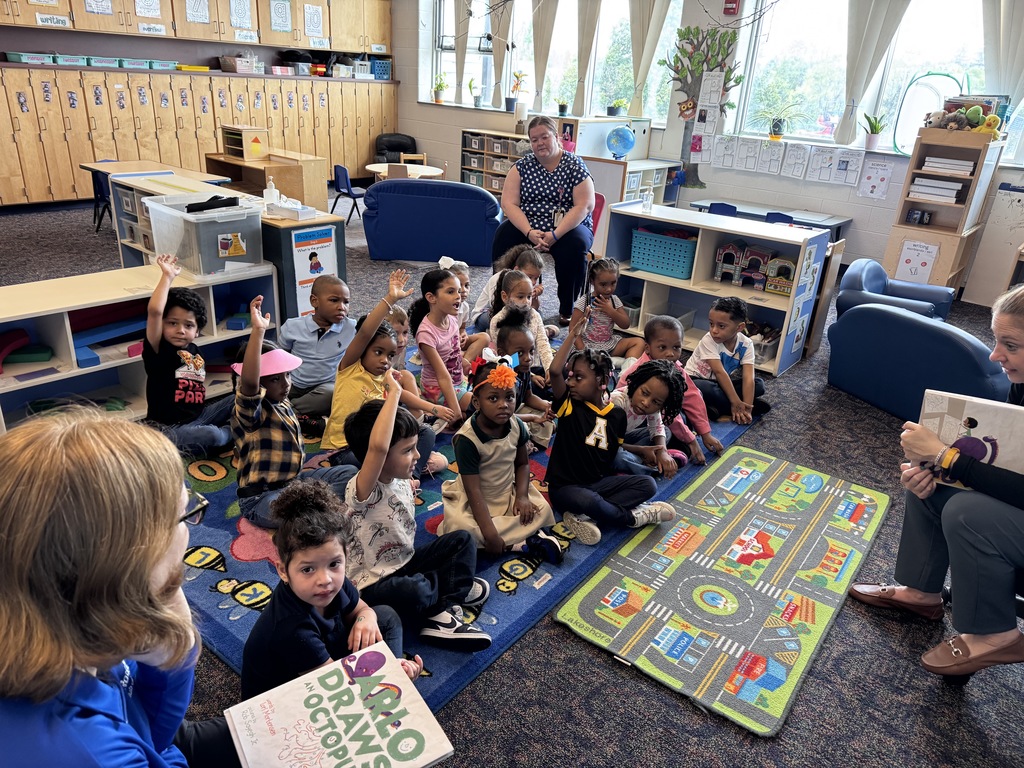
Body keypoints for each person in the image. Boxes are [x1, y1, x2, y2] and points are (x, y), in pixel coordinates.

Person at [0, 410, 239, 768]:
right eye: (185, 514)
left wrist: (175, 646)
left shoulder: (70, 616)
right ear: (118, 567)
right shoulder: (88, 752)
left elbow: (149, 736)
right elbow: (148, 751)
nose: (191, 531)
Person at [848, 284, 1024, 679]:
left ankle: (996, 634)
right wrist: (935, 466)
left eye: (1010, 345)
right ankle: (921, 593)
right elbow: (1012, 463)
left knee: (967, 510)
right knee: (935, 482)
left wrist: (947, 456)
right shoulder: (1022, 382)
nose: (996, 357)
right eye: (996, 341)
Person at [241, 479, 422, 699]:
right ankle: (392, 688)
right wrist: (393, 674)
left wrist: (366, 618)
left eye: (334, 564)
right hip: (289, 701)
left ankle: (390, 680)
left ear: (345, 557)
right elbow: (341, 692)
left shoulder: (331, 582)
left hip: (321, 664)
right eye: (307, 569)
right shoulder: (292, 629)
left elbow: (363, 610)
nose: (325, 579)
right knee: (372, 696)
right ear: (283, 571)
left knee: (383, 616)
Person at [342, 384, 492, 650]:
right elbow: (377, 447)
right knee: (414, 590)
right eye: (408, 450)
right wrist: (395, 392)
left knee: (462, 541)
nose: (418, 455)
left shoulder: (401, 478)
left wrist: (408, 485)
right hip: (372, 584)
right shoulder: (362, 489)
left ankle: (442, 598)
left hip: (405, 561)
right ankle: (441, 612)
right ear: (375, 458)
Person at [230, 295, 359, 529]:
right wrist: (258, 332)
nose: (286, 384)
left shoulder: (283, 401)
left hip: (294, 483)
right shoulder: (251, 412)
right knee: (296, 518)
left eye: (287, 375)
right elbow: (249, 384)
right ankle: (322, 512)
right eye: (275, 379)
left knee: (349, 472)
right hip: (261, 498)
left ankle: (318, 508)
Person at [546, 314, 674, 546]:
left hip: (596, 483)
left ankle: (583, 518)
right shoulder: (569, 406)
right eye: (572, 377)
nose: (571, 382)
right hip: (565, 488)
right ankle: (633, 517)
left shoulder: (616, 415)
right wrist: (573, 335)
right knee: (593, 502)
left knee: (648, 485)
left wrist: (643, 450)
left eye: (579, 377)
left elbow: (613, 447)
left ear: (602, 380)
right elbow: (556, 372)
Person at [318, 270, 448, 481]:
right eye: (378, 352)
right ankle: (401, 469)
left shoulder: (387, 375)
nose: (385, 361)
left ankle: (409, 477)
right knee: (355, 466)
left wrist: (433, 408)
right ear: (363, 350)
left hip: (379, 445)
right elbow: (365, 333)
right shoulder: (350, 367)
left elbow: (403, 396)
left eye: (390, 355)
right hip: (345, 450)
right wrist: (390, 298)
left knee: (426, 433)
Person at [440, 359, 562, 563]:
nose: (503, 404)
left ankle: (511, 540)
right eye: (493, 398)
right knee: (459, 527)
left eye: (510, 397)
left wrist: (522, 497)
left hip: (507, 491)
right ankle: (520, 542)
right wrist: (490, 534)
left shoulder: (516, 425)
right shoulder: (467, 439)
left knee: (541, 508)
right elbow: (474, 491)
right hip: (476, 499)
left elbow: (522, 464)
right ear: (477, 403)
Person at [491, 115, 596, 325]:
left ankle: (568, 308)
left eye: (544, 137)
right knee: (503, 235)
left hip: (567, 227)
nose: (539, 143)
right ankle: (502, 300)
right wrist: (529, 231)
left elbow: (584, 205)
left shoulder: (574, 165)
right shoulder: (522, 167)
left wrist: (556, 234)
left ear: (556, 137)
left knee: (574, 246)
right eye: (534, 140)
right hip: (529, 226)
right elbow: (509, 204)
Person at [144, 253, 233, 455]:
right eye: (172, 323)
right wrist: (167, 277)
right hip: (167, 430)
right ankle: (231, 434)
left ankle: (231, 433)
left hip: (199, 416)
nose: (180, 330)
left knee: (242, 397)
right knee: (212, 436)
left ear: (197, 331)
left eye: (188, 325)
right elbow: (155, 312)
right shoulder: (159, 349)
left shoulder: (195, 351)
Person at [618, 315, 724, 465]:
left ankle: (663, 453)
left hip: (656, 417)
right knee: (673, 429)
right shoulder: (642, 373)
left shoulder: (674, 368)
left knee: (689, 406)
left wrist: (705, 433)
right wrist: (692, 440)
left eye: (676, 347)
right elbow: (664, 413)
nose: (670, 354)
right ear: (648, 348)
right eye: (662, 348)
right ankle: (644, 456)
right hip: (636, 422)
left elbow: (692, 397)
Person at [277, 274, 356, 437]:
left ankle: (284, 412)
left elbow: (372, 328)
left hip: (326, 387)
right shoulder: (292, 327)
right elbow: (280, 358)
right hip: (293, 384)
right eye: (334, 300)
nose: (342, 307)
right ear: (315, 301)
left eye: (346, 302)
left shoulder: (351, 327)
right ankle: (296, 415)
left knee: (335, 395)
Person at [683, 296, 769, 424]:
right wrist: (735, 402)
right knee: (704, 388)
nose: (714, 330)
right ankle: (728, 407)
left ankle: (716, 408)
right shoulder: (709, 340)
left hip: (720, 384)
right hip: (695, 381)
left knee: (759, 385)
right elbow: (719, 372)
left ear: (739, 327)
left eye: (721, 326)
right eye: (711, 324)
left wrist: (747, 407)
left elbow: (748, 378)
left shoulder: (746, 344)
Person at [409, 268, 474, 430]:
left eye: (458, 291)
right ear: (431, 297)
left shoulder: (452, 318)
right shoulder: (426, 334)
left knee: (488, 395)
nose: (458, 296)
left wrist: (463, 362)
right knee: (484, 406)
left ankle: (454, 417)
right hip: (438, 387)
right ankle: (444, 415)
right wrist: (456, 410)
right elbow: (442, 375)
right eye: (451, 292)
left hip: (457, 380)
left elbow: (454, 350)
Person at [609, 359, 686, 478]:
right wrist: (641, 449)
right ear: (636, 383)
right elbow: (607, 443)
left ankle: (647, 460)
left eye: (656, 402)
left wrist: (662, 452)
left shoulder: (653, 407)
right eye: (644, 393)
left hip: (622, 440)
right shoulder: (616, 402)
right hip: (603, 445)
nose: (646, 403)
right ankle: (654, 468)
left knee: (665, 431)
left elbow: (657, 428)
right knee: (618, 458)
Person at [494, 307, 555, 450]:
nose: (528, 359)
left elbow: (528, 397)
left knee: (547, 419)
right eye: (520, 353)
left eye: (531, 351)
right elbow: (503, 416)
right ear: (502, 354)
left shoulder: (523, 369)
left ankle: (527, 441)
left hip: (517, 411)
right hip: (501, 418)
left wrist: (548, 407)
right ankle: (524, 444)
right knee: (520, 428)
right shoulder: (500, 378)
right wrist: (532, 418)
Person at [488, 267, 554, 387]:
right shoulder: (497, 321)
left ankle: (549, 331)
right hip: (515, 372)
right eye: (520, 297)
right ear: (504, 297)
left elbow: (543, 344)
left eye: (529, 297)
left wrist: (549, 369)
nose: (526, 301)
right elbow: (503, 357)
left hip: (536, 366)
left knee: (561, 375)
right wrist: (531, 376)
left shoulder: (534, 315)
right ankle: (551, 330)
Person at [570, 258, 645, 360]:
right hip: (587, 347)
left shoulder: (614, 301)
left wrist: (611, 311)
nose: (609, 289)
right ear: (592, 281)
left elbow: (625, 324)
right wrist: (584, 351)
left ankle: (627, 369)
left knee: (640, 342)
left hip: (609, 346)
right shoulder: (585, 301)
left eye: (613, 283)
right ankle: (611, 361)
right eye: (603, 284)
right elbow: (573, 329)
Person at [472, 244, 552, 336]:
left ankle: (526, 331)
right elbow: (497, 308)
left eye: (536, 278)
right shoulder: (499, 278)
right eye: (530, 276)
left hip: (515, 312)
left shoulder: (527, 283)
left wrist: (534, 298)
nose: (533, 282)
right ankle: (533, 331)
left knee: (538, 314)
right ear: (516, 269)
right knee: (503, 320)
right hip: (489, 313)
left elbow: (533, 308)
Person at [440, 257, 491, 365]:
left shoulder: (465, 307)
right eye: (458, 286)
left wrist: (462, 334)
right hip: (441, 345)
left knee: (484, 337)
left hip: (456, 343)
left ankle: (464, 362)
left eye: (466, 285)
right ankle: (463, 360)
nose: (464, 290)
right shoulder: (442, 308)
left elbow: (462, 328)